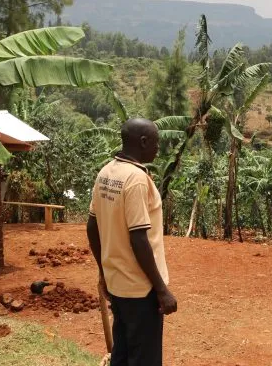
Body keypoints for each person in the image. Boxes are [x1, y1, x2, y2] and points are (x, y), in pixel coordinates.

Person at [87, 118, 177, 366]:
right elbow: (139, 239)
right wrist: (161, 290)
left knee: (122, 354)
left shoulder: (105, 173)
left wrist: (104, 271)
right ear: (143, 141)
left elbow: (92, 227)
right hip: (140, 289)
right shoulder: (136, 179)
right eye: (156, 142)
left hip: (118, 284)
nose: (158, 148)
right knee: (143, 359)